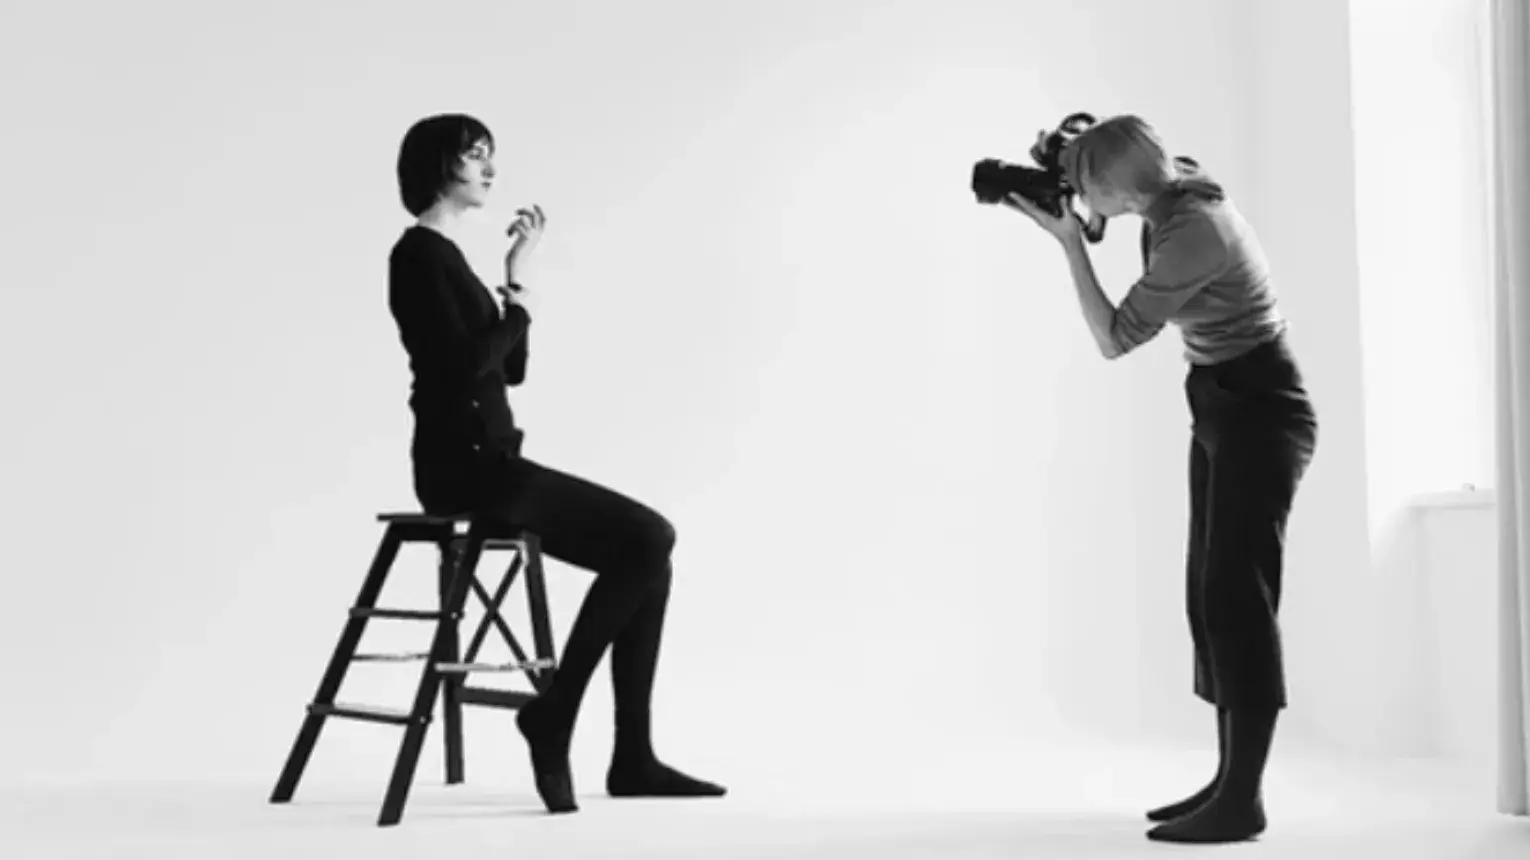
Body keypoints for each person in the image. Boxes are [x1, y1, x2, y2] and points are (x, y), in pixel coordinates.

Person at [386, 113, 726, 815]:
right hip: (463, 469)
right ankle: (556, 713)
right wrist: (521, 313)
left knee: (650, 557)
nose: (489, 168)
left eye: (490, 155)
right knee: (651, 536)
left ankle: (632, 756)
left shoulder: (451, 261)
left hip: (494, 461)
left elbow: (508, 370)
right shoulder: (416, 256)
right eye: (475, 154)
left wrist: (516, 279)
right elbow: (462, 369)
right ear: (438, 164)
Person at [1003, 115, 1319, 844]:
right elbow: (1119, 153)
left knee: (1239, 600)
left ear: (1116, 190)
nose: (1078, 195)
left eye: (1084, 186)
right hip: (1221, 403)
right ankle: (1229, 781)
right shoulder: (1172, 185)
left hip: (1262, 408)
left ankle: (1242, 800)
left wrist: (1069, 244)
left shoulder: (1194, 234)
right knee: (1210, 594)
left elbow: (1114, 338)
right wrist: (1071, 157)